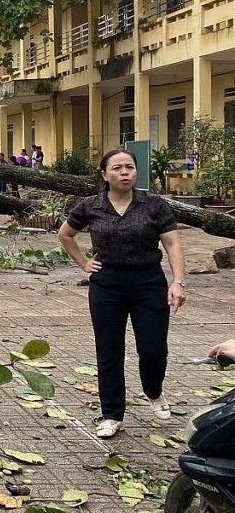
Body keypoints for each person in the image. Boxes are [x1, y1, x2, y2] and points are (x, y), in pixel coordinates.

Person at [57, 149, 187, 439]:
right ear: (105, 175)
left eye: (130, 167)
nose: (124, 172)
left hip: (148, 282)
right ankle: (112, 415)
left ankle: (153, 390)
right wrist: (83, 263)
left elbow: (173, 245)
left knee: (153, 349)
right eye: (117, 168)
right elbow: (65, 234)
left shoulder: (153, 205)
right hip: (107, 284)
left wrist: (178, 282)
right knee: (109, 352)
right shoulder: (90, 206)